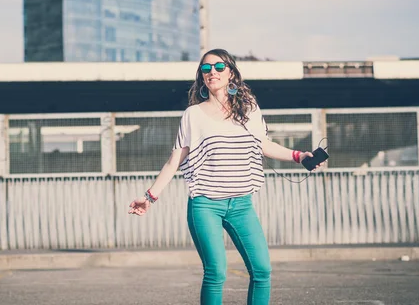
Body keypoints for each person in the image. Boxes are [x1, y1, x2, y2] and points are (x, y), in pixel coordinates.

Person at [128, 48, 322, 304]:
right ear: (202, 77)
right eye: (206, 69)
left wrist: (299, 156)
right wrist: (149, 197)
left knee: (262, 270)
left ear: (231, 73)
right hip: (206, 204)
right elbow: (175, 159)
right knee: (216, 272)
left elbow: (264, 144)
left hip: (241, 204)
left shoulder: (249, 110)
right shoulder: (193, 115)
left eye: (219, 67)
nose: (212, 72)